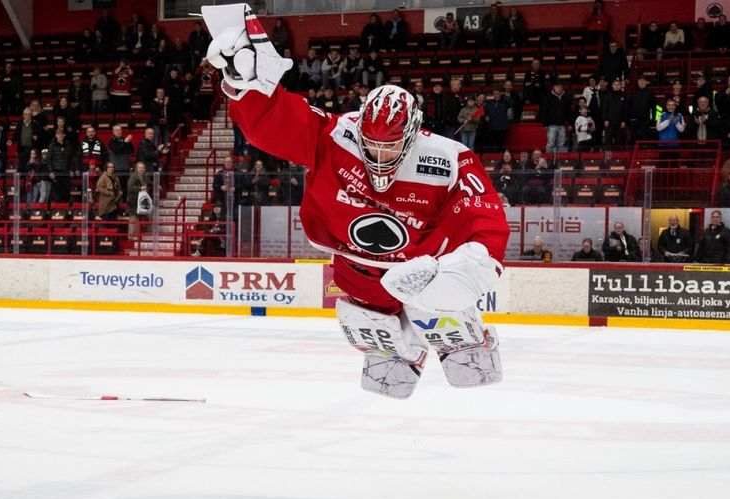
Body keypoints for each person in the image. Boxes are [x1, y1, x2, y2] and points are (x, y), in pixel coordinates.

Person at [205, 7, 507, 398]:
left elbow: (484, 215)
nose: (379, 156)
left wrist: (468, 266)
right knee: (374, 340)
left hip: (422, 265)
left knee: (457, 340)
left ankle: (463, 338)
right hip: (357, 266)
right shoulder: (336, 134)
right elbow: (282, 124)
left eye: (390, 146)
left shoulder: (448, 157)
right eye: (372, 145)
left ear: (413, 135)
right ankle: (400, 352)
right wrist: (248, 89)